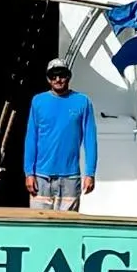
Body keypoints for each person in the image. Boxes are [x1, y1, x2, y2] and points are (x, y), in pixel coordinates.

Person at [22, 57, 96, 211]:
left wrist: (90, 173)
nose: (58, 79)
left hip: (70, 178)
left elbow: (90, 140)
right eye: (53, 76)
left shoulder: (83, 101)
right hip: (41, 177)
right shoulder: (38, 101)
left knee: (67, 229)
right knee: (39, 227)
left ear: (68, 76)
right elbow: (31, 138)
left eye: (62, 75)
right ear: (48, 79)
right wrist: (29, 172)